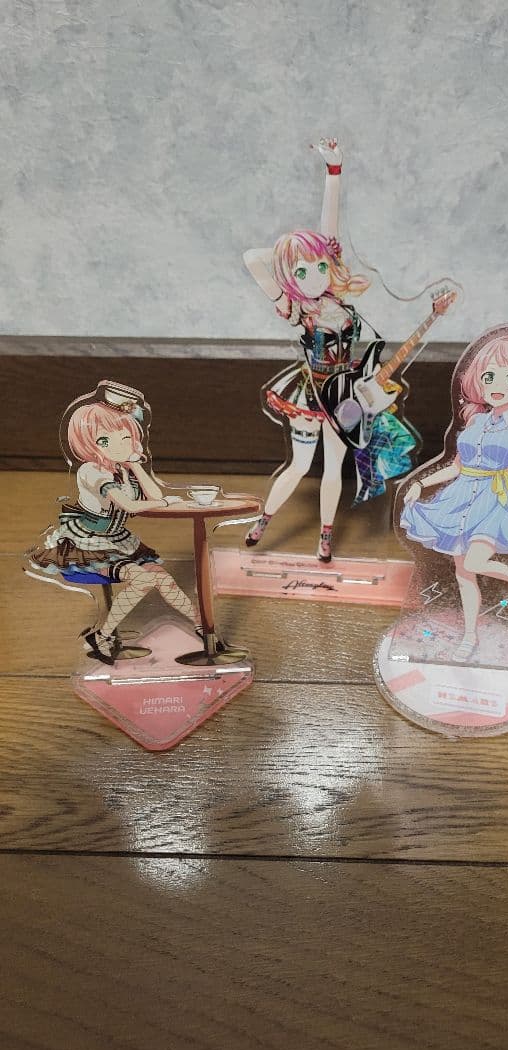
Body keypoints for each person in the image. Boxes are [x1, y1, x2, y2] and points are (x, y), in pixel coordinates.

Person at [243, 137, 416, 561]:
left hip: (346, 393)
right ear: (290, 276)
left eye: (321, 265)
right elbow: (251, 258)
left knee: (335, 465)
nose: (316, 275)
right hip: (312, 392)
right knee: (301, 464)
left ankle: (325, 535)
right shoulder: (294, 308)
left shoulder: (339, 302)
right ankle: (263, 520)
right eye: (303, 271)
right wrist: (289, 253)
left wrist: (333, 171)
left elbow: (330, 230)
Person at [399, 329, 508, 661]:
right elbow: (455, 467)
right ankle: (469, 636)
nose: (497, 385)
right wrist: (421, 484)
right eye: (489, 376)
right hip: (460, 497)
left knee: (476, 562)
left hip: (495, 500)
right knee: (464, 573)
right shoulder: (475, 420)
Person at [28, 385, 202, 665]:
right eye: (105, 440)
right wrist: (162, 503)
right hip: (89, 542)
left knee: (163, 578)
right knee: (143, 580)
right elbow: (129, 505)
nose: (120, 445)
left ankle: (203, 628)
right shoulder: (91, 471)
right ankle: (102, 637)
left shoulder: (123, 470)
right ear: (89, 444)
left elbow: (153, 494)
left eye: (126, 437)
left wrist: (135, 465)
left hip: (118, 539)